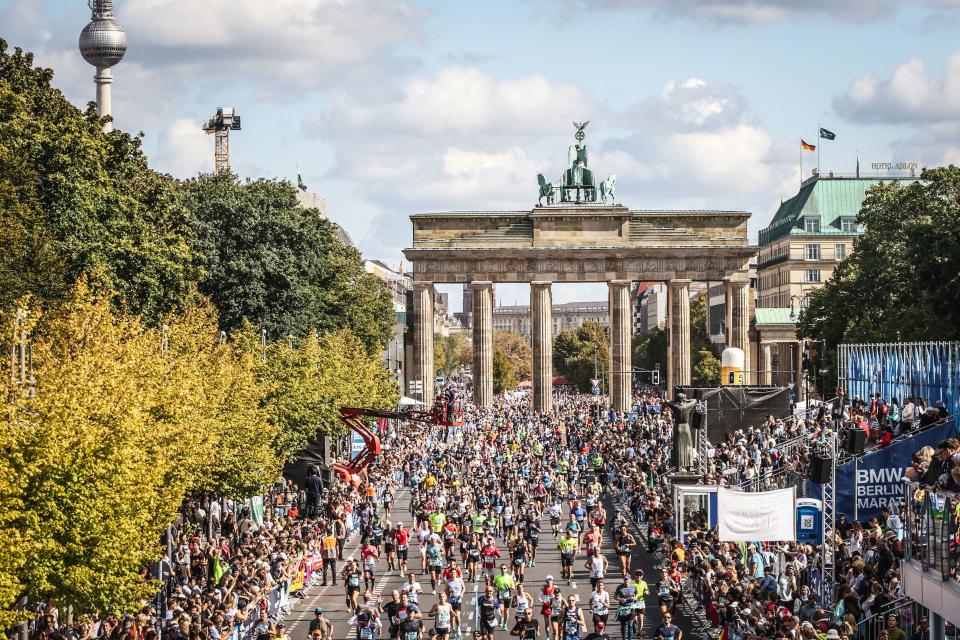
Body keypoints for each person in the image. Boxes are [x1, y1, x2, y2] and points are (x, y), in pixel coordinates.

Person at [614, 574, 638, 640]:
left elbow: (637, 594)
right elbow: (615, 596)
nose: (626, 580)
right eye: (625, 579)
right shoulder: (619, 587)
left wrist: (634, 598)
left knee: (630, 625)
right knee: (623, 625)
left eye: (627, 579)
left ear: (630, 580)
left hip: (631, 607)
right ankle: (624, 638)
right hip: (623, 608)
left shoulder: (634, 587)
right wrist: (620, 599)